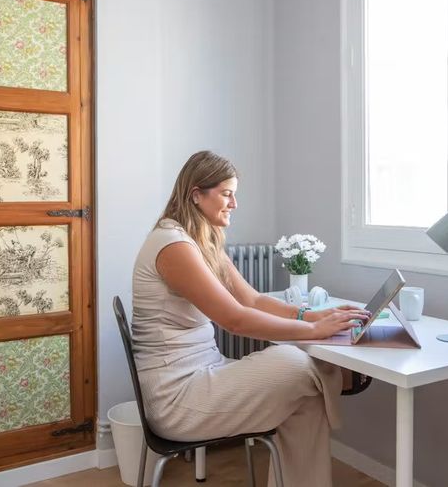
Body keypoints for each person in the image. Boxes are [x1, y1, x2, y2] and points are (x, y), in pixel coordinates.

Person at [132, 151, 371, 486]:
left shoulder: (201, 241)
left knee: (306, 400)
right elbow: (235, 320)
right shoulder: (173, 245)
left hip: (204, 372)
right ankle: (338, 377)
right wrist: (315, 329)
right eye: (227, 194)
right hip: (177, 399)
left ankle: (328, 381)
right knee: (293, 362)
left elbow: (252, 299)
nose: (234, 204)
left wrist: (311, 315)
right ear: (196, 195)